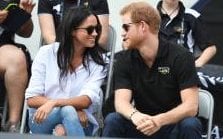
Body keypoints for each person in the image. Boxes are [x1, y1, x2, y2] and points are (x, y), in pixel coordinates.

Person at [102, 2, 202, 139]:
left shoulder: (181, 56)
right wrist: (135, 115)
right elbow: (121, 102)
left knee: (191, 124)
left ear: (143, 26)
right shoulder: (125, 59)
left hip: (171, 126)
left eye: (126, 27)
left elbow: (191, 107)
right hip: (142, 125)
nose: (122, 33)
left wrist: (159, 121)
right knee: (113, 120)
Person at [25, 6, 107, 136]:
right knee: (68, 111)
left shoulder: (99, 61)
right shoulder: (46, 53)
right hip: (43, 119)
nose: (95, 34)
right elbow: (32, 99)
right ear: (72, 31)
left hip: (83, 121)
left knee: (64, 124)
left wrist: (55, 102)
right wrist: (72, 109)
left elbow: (86, 100)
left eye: (97, 29)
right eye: (90, 30)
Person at [0, 0, 35, 132]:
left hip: (2, 47)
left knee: (17, 58)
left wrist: (24, 17)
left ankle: (13, 123)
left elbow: (26, 33)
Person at [157, 0, 216, 68]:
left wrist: (195, 65)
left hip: (182, 71)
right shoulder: (149, 14)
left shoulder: (192, 16)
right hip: (156, 71)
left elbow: (211, 48)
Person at [38, 0, 109, 48]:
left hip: (89, 52)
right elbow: (49, 36)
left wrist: (78, 53)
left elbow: (101, 38)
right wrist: (64, 52)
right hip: (57, 50)